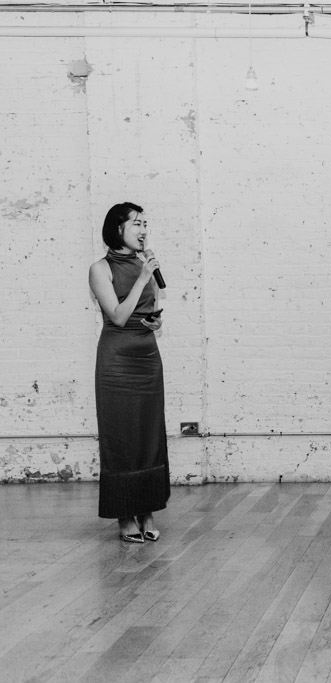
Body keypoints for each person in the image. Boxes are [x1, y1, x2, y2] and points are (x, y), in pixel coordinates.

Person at [88, 202, 170, 543]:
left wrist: (156, 320)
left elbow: (144, 310)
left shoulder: (141, 263)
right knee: (121, 436)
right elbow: (118, 316)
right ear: (117, 227)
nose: (143, 229)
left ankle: (147, 511)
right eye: (136, 223)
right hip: (117, 361)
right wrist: (143, 276)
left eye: (146, 223)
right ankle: (125, 516)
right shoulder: (100, 268)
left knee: (148, 433)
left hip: (147, 355)